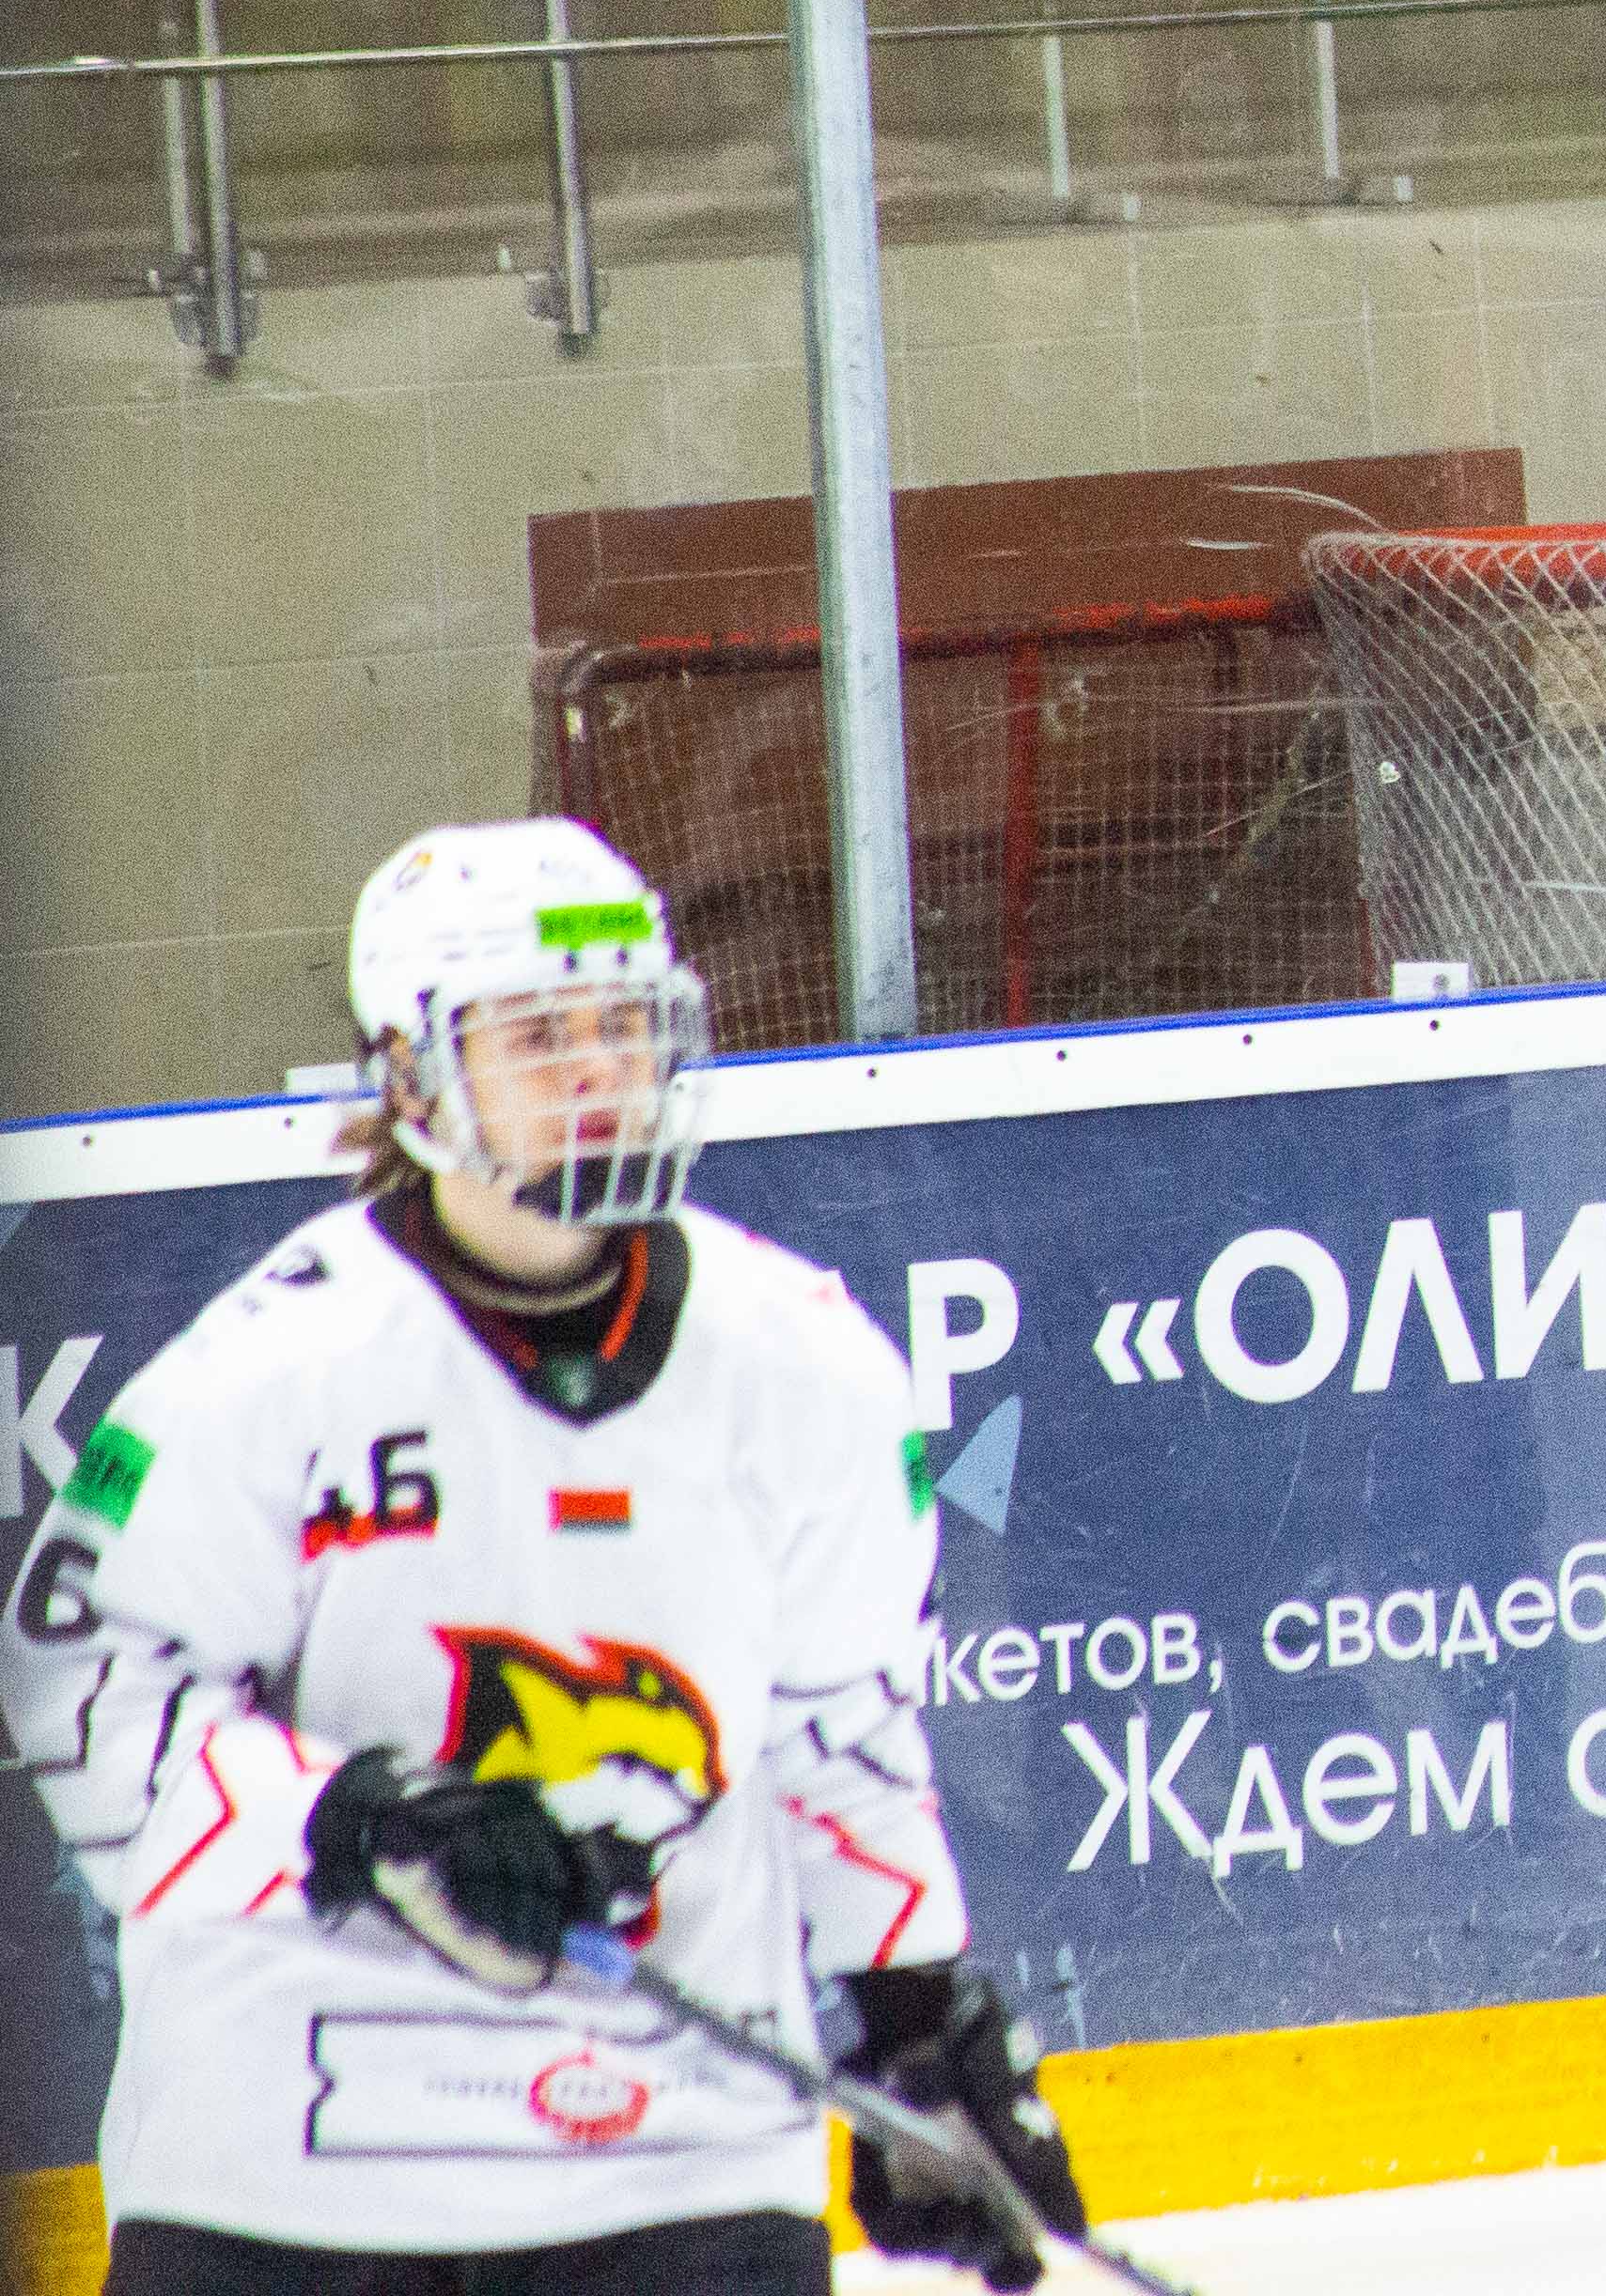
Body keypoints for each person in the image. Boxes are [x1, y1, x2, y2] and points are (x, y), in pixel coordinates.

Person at [0, 819, 1086, 2296]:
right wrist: (350, 1817)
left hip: (686, 2159)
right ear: (409, 1079)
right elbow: (77, 1691)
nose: (596, 1073)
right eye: (537, 1037)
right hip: (292, 2164)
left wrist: (917, 2026)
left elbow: (842, 1734)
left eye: (622, 1029)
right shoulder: (264, 1375)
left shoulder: (809, 1363)